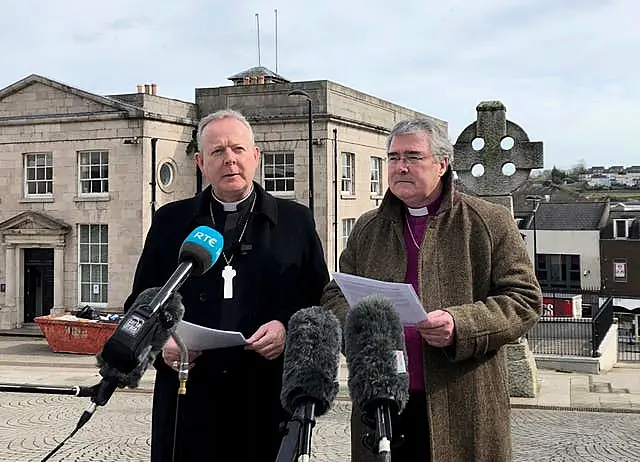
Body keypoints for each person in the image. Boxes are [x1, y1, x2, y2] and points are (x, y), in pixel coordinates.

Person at [321, 118, 542, 462]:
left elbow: (524, 300)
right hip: (381, 401)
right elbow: (336, 293)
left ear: (441, 164)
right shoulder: (367, 227)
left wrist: (460, 325)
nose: (400, 167)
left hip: (461, 402)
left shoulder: (488, 221)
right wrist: (362, 328)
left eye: (413, 156)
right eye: (393, 158)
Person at [123, 109, 329, 461]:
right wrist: (164, 343)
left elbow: (318, 301)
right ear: (201, 162)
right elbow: (140, 304)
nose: (229, 159)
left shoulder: (296, 222)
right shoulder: (171, 221)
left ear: (255, 156)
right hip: (190, 395)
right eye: (217, 152)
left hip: (266, 393)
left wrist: (285, 328)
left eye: (237, 149)